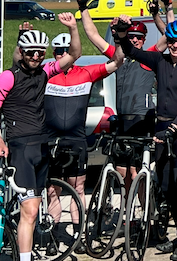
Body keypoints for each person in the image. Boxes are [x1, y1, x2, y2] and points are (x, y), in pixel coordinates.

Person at [0, 13, 81, 261]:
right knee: (29, 212)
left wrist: (73, 27)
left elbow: (74, 54)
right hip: (19, 149)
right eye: (30, 52)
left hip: (41, 148)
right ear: (22, 52)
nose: (36, 57)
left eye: (40, 52)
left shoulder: (45, 72)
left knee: (33, 210)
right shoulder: (8, 77)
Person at [116, 15, 177, 261]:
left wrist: (174, 127)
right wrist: (122, 33)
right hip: (161, 125)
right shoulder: (160, 60)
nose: (176, 46)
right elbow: (131, 51)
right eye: (172, 41)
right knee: (165, 185)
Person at [44, 31, 124, 245]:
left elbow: (117, 62)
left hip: (76, 141)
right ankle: (52, 237)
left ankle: (78, 236)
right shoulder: (46, 74)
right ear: (54, 53)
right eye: (59, 51)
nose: (63, 54)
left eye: (67, 50)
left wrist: (118, 38)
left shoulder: (86, 73)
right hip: (51, 141)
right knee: (52, 191)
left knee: (78, 189)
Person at [77, 0, 158, 188]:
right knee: (122, 172)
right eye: (132, 37)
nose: (135, 40)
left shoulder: (149, 57)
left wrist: (159, 12)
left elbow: (168, 37)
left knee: (138, 171)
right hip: (122, 118)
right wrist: (83, 8)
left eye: (139, 38)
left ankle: (144, 205)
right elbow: (93, 36)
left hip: (142, 120)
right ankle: (127, 206)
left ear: (144, 40)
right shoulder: (118, 58)